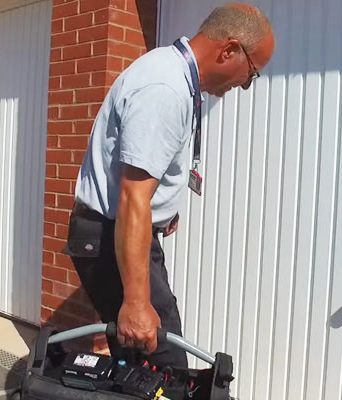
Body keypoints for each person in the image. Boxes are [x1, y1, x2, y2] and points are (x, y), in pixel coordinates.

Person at [64, 3, 275, 368]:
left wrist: (163, 210)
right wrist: (135, 302)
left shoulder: (174, 75)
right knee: (164, 367)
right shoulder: (165, 87)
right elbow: (132, 197)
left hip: (124, 232)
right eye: (251, 73)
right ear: (229, 50)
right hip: (112, 235)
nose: (244, 85)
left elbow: (140, 183)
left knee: (142, 369)